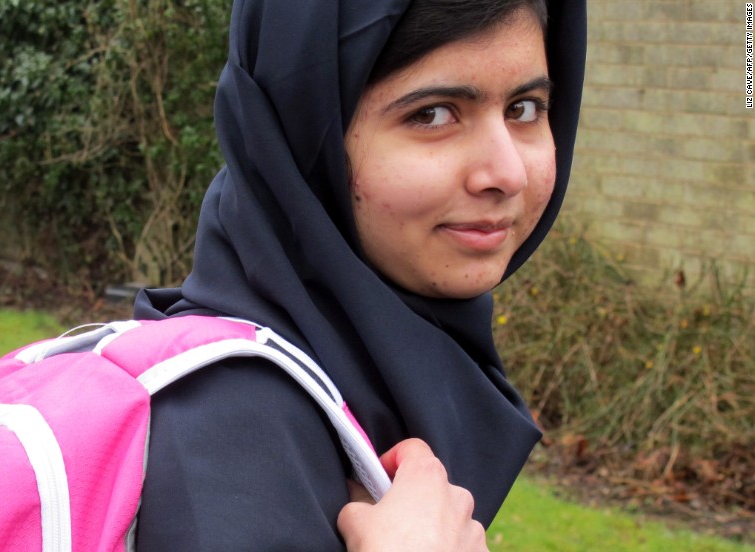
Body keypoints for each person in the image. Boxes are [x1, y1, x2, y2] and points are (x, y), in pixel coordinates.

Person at [132, 0, 586, 549]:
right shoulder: (224, 430)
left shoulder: (377, 376)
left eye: (525, 109)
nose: (507, 172)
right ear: (305, 137)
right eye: (434, 114)